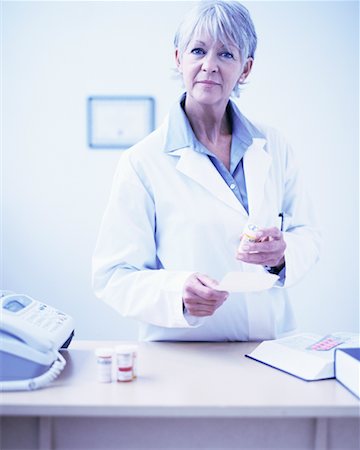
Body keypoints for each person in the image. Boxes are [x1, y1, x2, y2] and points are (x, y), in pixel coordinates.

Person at [92, 0, 321, 341]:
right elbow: (113, 275)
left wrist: (282, 255)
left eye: (226, 54)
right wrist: (176, 292)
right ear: (178, 59)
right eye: (198, 50)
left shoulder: (274, 145)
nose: (209, 65)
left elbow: (308, 234)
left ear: (246, 69)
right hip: (185, 355)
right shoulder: (143, 161)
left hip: (271, 347)